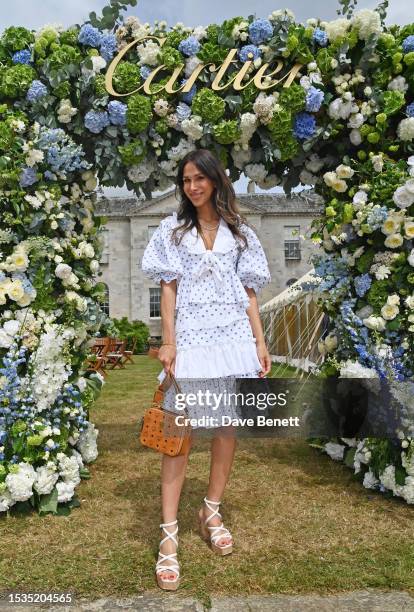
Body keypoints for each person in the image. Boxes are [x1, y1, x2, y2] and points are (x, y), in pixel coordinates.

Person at [141, 148, 271, 590]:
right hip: (193, 340)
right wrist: (169, 341)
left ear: (216, 180)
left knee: (226, 427)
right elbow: (169, 292)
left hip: (234, 338)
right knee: (178, 435)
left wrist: (259, 341)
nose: (192, 187)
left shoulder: (242, 233)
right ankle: (169, 535)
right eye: (185, 180)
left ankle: (211, 509)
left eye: (199, 178)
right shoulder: (172, 232)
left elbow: (250, 292)